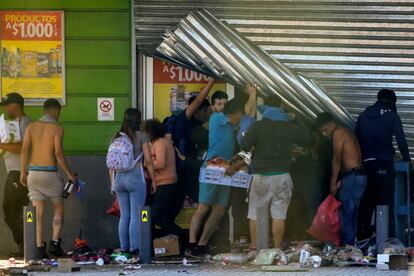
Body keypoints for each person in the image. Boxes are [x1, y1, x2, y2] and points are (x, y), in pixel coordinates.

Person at [240, 95, 311, 250]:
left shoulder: (257, 126)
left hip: (260, 176)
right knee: (279, 216)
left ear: (265, 107)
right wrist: (295, 118)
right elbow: (307, 138)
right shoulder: (288, 126)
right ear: (281, 107)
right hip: (282, 176)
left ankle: (255, 248)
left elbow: (244, 146)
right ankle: (277, 249)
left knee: (254, 214)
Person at [20, 99, 74, 258]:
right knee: (58, 209)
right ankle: (54, 243)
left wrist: (23, 172)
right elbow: (57, 153)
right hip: (50, 174)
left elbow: (24, 150)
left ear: (44, 110)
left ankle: (38, 247)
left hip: (33, 174)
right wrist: (69, 173)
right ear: (56, 111)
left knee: (37, 212)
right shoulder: (57, 128)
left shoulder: (31, 126)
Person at [355, 89, 412, 239]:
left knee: (367, 202)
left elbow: (356, 140)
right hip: (384, 164)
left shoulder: (363, 116)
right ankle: (384, 241)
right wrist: (407, 160)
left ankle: (363, 240)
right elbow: (401, 142)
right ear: (392, 102)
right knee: (384, 203)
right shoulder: (392, 116)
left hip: (366, 165)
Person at [108, 108, 156, 256]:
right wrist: (154, 180)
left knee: (124, 215)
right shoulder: (142, 136)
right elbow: (148, 160)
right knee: (136, 215)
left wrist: (112, 183)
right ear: (139, 120)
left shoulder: (116, 136)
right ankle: (135, 248)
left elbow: (111, 163)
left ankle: (124, 248)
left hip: (119, 179)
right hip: (135, 178)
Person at [316, 112, 367, 246]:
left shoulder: (338, 133)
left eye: (324, 130)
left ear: (329, 124)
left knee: (346, 214)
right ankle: (353, 245)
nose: (324, 134)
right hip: (357, 176)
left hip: (352, 177)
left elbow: (336, 159)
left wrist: (333, 183)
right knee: (352, 213)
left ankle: (347, 247)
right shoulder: (347, 132)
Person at [169, 77, 215, 218]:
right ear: (198, 110)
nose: (209, 114)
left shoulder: (196, 126)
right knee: (149, 212)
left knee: (175, 207)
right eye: (207, 110)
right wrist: (211, 82)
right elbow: (198, 101)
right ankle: (148, 231)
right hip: (182, 172)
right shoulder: (184, 121)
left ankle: (179, 235)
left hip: (187, 171)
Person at [222, 85, 257, 243]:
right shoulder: (245, 123)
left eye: (230, 116)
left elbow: (253, 152)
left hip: (256, 173)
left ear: (237, 113)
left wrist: (235, 167)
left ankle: (254, 242)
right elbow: (247, 150)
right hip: (250, 172)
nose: (229, 120)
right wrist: (236, 157)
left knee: (253, 209)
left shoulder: (247, 126)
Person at [0, 92, 31, 256]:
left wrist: (2, 145)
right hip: (14, 171)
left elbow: (21, 149)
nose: (5, 109)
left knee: (15, 210)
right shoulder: (10, 124)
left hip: (20, 173)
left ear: (16, 106)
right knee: (14, 210)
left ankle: (26, 245)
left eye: (7, 105)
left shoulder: (26, 123)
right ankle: (25, 245)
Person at [142, 119, 184, 238]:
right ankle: (149, 242)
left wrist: (145, 164)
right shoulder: (154, 143)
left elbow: (160, 163)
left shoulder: (161, 143)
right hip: (156, 185)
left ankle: (181, 234)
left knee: (154, 216)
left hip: (165, 184)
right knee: (145, 214)